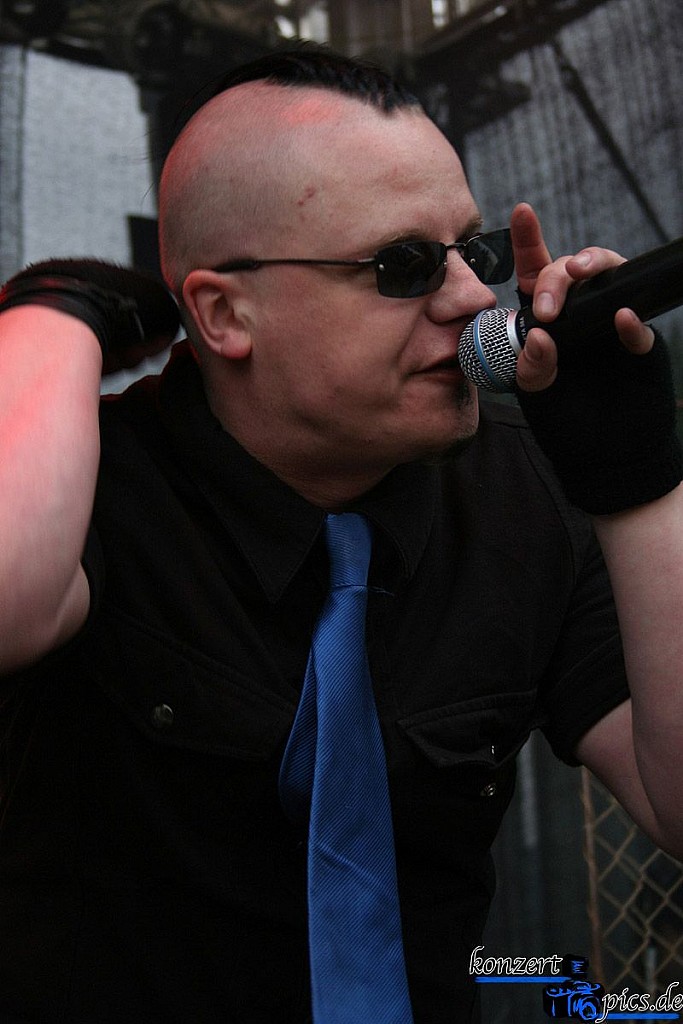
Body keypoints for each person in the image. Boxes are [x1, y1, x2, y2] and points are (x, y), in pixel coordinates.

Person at [0, 46, 682, 1024]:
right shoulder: (88, 485)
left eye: (470, 251)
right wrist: (54, 315)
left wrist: (635, 481)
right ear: (223, 313)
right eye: (403, 265)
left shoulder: (523, 491)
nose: (469, 298)